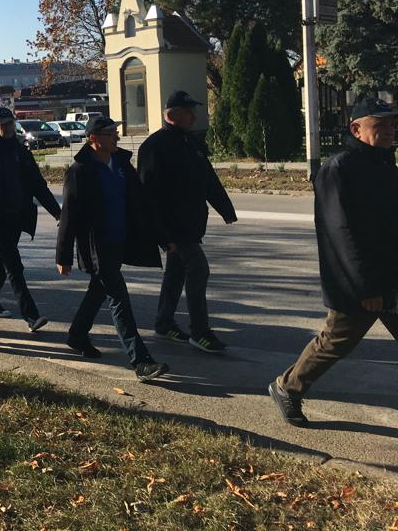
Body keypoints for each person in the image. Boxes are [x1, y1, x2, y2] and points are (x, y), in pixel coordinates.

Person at [269, 97, 398, 426]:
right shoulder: (338, 169)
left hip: (390, 275)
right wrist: (365, 287)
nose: (389, 130)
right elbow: (340, 232)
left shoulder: (384, 163)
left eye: (391, 124)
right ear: (356, 129)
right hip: (358, 282)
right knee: (335, 342)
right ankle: (287, 388)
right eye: (380, 125)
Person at [57, 116, 169, 381]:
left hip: (120, 240)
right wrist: (63, 255)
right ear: (93, 139)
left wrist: (160, 236)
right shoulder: (80, 171)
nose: (116, 137)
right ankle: (140, 360)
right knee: (119, 298)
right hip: (97, 245)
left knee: (98, 290)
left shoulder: (120, 164)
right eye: (110, 134)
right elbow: (69, 215)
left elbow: (140, 201)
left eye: (115, 132)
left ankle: (77, 335)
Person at [137, 90, 237, 354]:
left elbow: (208, 178)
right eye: (188, 111)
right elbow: (147, 195)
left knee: (176, 272)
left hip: (192, 223)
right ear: (172, 115)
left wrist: (225, 208)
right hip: (173, 227)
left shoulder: (190, 142)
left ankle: (164, 322)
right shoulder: (154, 146)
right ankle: (200, 332)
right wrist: (161, 235)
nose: (194, 116)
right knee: (199, 269)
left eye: (194, 110)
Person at [0, 107, 61, 332]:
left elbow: (38, 184)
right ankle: (31, 316)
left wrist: (57, 212)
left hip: (18, 214)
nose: (7, 128)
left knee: (3, 258)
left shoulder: (20, 150)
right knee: (14, 265)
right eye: (3, 124)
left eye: (10, 123)